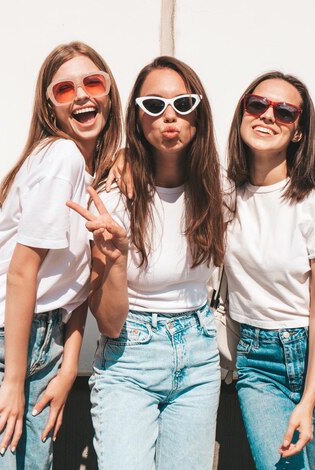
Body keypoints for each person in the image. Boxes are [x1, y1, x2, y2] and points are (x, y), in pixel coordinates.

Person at [0, 41, 122, 469]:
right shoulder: (60, 157)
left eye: (92, 82)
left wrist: (65, 374)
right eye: (65, 90)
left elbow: (75, 293)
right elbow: (22, 273)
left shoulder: (98, 177)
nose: (81, 95)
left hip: (47, 348)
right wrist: (13, 378)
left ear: (109, 92)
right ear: (51, 107)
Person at [68, 56, 225, 470]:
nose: (169, 116)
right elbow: (110, 324)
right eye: (153, 106)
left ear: (200, 113)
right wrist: (115, 257)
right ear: (137, 118)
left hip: (199, 357)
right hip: (130, 357)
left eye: (183, 104)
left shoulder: (217, 190)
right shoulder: (115, 195)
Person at [224, 71, 315, 469]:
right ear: (242, 114)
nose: (268, 116)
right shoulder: (222, 196)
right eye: (257, 104)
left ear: (299, 131)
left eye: (284, 112)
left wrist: (307, 400)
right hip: (259, 361)